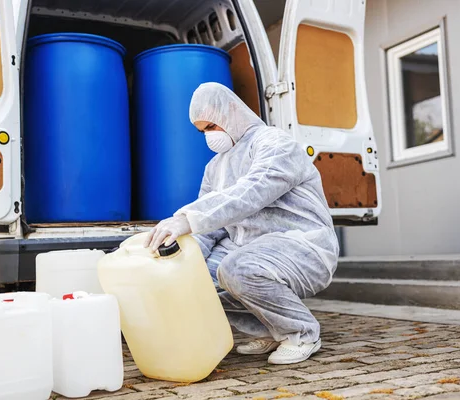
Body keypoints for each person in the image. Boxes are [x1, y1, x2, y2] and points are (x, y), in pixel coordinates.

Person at [144, 82, 339, 365]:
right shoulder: (215, 167)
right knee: (191, 277)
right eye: (203, 131)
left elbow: (254, 190)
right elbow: (211, 226)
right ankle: (272, 329)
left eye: (211, 126)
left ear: (231, 113)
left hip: (302, 245)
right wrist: (179, 256)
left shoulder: (274, 143)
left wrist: (187, 218)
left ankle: (301, 333)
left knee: (236, 269)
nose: (209, 137)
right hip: (249, 248)